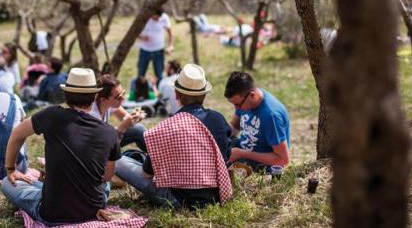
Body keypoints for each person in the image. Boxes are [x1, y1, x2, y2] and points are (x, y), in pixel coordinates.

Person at [0, 67, 120, 224]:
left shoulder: (51, 116)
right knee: (104, 186)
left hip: (52, 214)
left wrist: (11, 169)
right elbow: (107, 177)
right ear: (94, 96)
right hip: (92, 210)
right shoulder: (110, 132)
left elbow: (17, 134)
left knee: (7, 183)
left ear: (66, 94)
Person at [115, 64, 232, 208]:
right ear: (204, 94)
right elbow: (226, 158)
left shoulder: (166, 127)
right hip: (216, 196)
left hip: (179, 201)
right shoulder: (218, 119)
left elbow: (147, 174)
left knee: (117, 161)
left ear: (177, 94)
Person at [225, 71, 290, 173]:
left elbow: (282, 160)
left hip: (261, 165)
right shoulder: (245, 100)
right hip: (241, 150)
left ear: (252, 95)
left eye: (238, 104)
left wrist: (242, 154)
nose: (236, 108)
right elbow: (234, 127)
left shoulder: (271, 116)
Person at [92, 74, 147, 151]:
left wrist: (136, 117)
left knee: (138, 128)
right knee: (138, 129)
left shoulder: (106, 103)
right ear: (103, 100)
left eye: (123, 93)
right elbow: (107, 149)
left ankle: (157, 157)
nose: (123, 99)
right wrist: (122, 127)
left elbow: (125, 116)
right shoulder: (93, 116)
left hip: (105, 143)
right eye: (118, 97)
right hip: (98, 153)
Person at [137, 8, 173, 84]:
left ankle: (160, 92)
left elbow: (170, 33)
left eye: (159, 17)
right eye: (156, 17)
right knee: (141, 74)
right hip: (144, 50)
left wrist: (170, 46)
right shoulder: (144, 17)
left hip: (159, 50)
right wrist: (142, 37)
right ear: (151, 13)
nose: (158, 19)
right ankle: (140, 92)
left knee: (159, 75)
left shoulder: (164, 17)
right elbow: (135, 32)